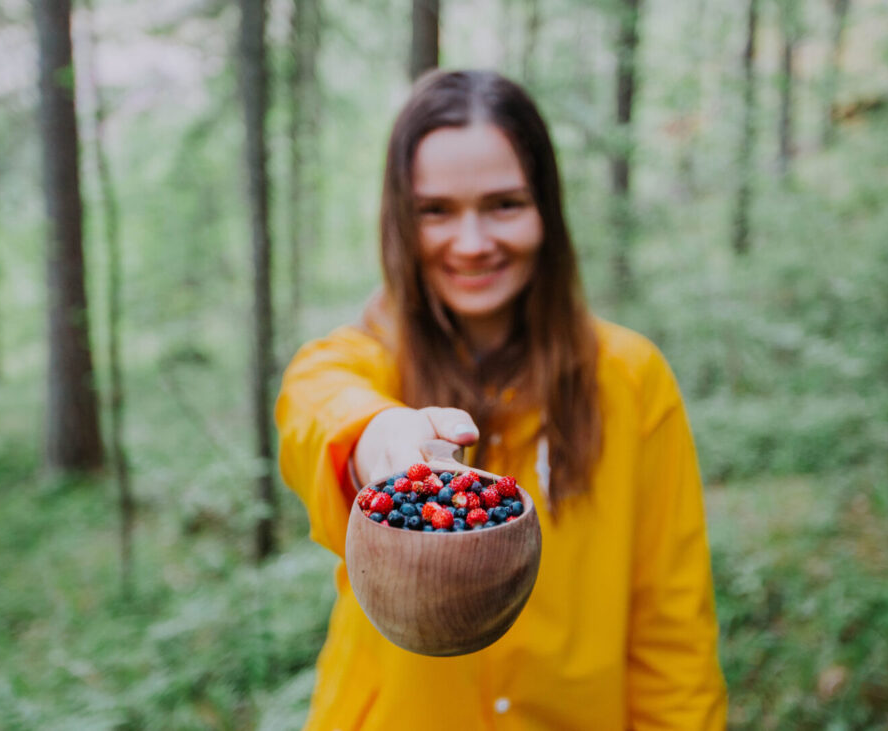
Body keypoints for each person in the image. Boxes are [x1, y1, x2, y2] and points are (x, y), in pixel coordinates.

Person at [275, 69, 726, 730]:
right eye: (437, 211)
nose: (473, 242)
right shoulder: (371, 360)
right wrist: (374, 435)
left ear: (546, 208)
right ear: (402, 222)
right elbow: (313, 400)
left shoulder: (630, 378)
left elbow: (672, 625)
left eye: (504, 204)